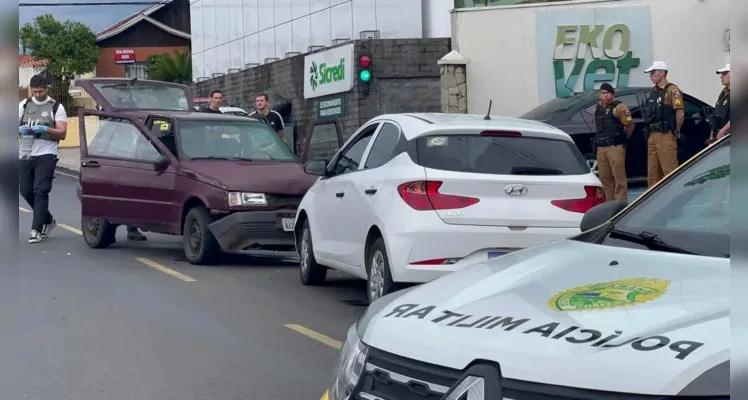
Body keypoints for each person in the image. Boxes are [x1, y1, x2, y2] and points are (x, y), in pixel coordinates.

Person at [19, 74, 67, 243]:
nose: (38, 94)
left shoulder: (56, 107)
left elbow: (62, 133)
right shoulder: (24, 105)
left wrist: (45, 129)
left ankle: (36, 229)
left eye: (41, 91)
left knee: (41, 190)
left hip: (47, 152)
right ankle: (47, 219)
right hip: (26, 151)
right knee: (25, 190)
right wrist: (21, 129)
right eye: (35, 91)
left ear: (47, 88)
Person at [642, 61, 684, 188]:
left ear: (662, 73)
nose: (650, 76)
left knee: (669, 171)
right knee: (652, 173)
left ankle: (674, 204)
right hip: (652, 135)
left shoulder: (672, 90)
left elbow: (680, 113)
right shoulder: (653, 91)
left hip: (665, 134)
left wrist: (676, 130)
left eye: (653, 73)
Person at [593, 83, 634, 201]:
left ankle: (620, 206)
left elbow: (629, 126)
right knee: (605, 178)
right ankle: (610, 205)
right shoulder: (598, 107)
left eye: (608, 93)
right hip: (601, 148)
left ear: (613, 94)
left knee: (619, 178)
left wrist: (622, 139)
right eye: (603, 93)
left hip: (615, 146)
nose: (605, 96)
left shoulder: (619, 107)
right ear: (599, 95)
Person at [707, 63, 730, 143]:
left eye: (724, 73)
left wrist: (723, 131)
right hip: (721, 136)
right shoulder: (724, 92)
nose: (721, 76)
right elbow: (716, 114)